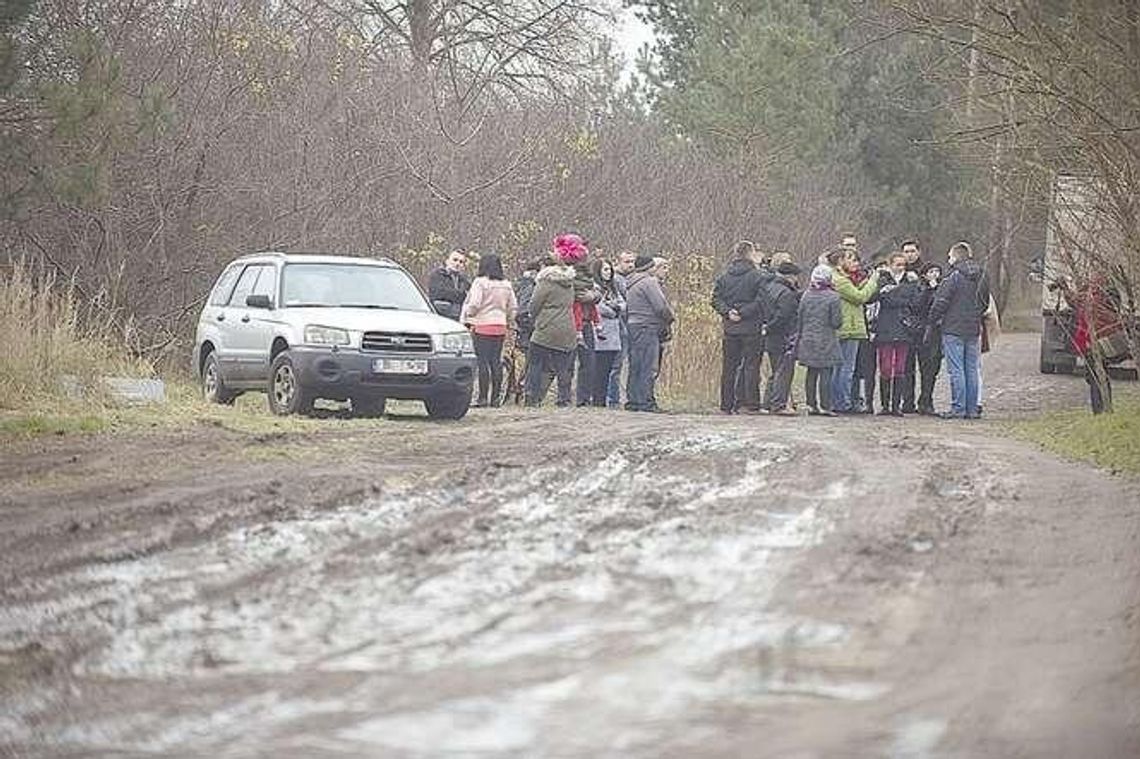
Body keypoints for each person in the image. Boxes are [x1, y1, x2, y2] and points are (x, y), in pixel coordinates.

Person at [929, 241, 990, 420]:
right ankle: (972, 409)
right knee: (971, 368)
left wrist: (932, 320)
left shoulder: (953, 276)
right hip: (973, 327)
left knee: (956, 369)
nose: (948, 259)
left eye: (949, 256)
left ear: (955, 256)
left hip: (953, 327)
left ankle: (958, 407)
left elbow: (941, 302)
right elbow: (985, 301)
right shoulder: (983, 275)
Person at [711, 240, 768, 414]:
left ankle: (726, 404)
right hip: (751, 327)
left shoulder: (724, 276)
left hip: (730, 328)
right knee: (751, 366)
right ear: (750, 253)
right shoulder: (759, 276)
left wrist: (728, 312)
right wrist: (743, 312)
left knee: (729, 367)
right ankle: (750, 403)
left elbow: (715, 299)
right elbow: (761, 300)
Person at [1057, 275, 1125, 414]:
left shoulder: (1094, 299)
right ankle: (1105, 408)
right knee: (1099, 374)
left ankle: (1100, 410)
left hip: (1099, 341)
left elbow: (1074, 301)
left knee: (1096, 376)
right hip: (1103, 340)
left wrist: (1064, 288)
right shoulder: (1108, 297)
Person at [524, 238, 580, 407]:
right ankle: (564, 399)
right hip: (567, 328)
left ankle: (532, 397)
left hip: (545, 328)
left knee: (535, 363)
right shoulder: (570, 282)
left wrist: (531, 318)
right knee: (563, 367)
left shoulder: (545, 281)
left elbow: (534, 305)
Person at [460, 254, 518, 407]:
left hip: (482, 326)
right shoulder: (507, 284)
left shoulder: (480, 283)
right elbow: (513, 307)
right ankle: (496, 398)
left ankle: (483, 397)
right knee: (495, 362)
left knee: (483, 362)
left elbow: (475, 303)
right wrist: (507, 319)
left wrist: (468, 314)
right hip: (500, 326)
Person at [829, 240, 880, 413]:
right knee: (845, 369)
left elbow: (856, 290)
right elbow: (859, 297)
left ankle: (839, 401)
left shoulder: (841, 279)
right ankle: (842, 402)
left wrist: (865, 281)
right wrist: (873, 281)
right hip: (849, 328)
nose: (854, 262)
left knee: (841, 368)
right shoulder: (839, 280)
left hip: (847, 327)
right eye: (849, 259)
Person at [872, 252, 921, 416]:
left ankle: (896, 405)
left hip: (903, 329)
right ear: (890, 265)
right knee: (885, 367)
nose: (901, 268)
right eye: (897, 264)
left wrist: (895, 296)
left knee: (900, 368)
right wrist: (898, 297)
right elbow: (883, 299)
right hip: (885, 328)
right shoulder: (882, 280)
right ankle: (885, 405)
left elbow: (914, 302)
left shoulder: (911, 281)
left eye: (903, 265)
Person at [625, 255, 674, 412]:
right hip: (648, 326)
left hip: (633, 325)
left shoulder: (631, 282)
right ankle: (647, 401)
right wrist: (671, 318)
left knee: (636, 365)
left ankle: (633, 400)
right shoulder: (649, 282)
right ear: (650, 267)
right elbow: (660, 307)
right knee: (649, 365)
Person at [797, 263, 843, 416]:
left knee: (811, 372)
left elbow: (800, 317)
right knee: (826, 372)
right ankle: (826, 405)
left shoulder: (806, 295)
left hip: (808, 338)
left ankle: (811, 404)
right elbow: (836, 322)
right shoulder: (834, 297)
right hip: (826, 339)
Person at [762, 260, 802, 414]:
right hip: (784, 336)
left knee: (775, 370)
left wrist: (767, 327)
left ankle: (768, 403)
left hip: (771, 337)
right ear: (790, 277)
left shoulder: (769, 288)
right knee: (784, 371)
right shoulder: (786, 293)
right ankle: (779, 404)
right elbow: (784, 316)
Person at [591, 259, 626, 407]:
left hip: (614, 332)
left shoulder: (613, 288)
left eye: (610, 269)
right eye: (605, 270)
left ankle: (603, 399)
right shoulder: (594, 287)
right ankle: (597, 399)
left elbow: (623, 304)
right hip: (600, 330)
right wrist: (613, 309)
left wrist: (616, 307)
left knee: (608, 367)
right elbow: (598, 307)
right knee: (598, 368)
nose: (608, 272)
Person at [606, 250, 637, 408]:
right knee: (615, 366)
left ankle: (622, 398)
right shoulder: (615, 279)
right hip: (618, 327)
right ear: (618, 261)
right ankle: (612, 400)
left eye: (632, 261)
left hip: (631, 327)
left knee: (627, 365)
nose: (630, 264)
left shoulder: (634, 278)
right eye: (627, 261)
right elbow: (619, 303)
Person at [915, 262, 944, 415]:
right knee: (924, 367)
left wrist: (936, 289)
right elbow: (918, 306)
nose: (934, 274)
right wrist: (929, 289)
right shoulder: (920, 288)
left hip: (937, 332)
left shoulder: (943, 288)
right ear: (925, 274)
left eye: (936, 271)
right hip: (922, 332)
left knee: (934, 368)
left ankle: (927, 398)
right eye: (931, 271)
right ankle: (923, 400)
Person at [899, 239, 925, 412]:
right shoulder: (899, 272)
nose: (909, 255)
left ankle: (925, 401)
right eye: (906, 251)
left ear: (918, 252)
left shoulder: (926, 271)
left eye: (912, 251)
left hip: (923, 324)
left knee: (926, 366)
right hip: (904, 324)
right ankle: (907, 402)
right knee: (906, 367)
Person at [428, 249, 471, 321]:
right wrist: (459, 295)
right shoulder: (437, 275)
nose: (457, 264)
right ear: (447, 261)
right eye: (455, 260)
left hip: (458, 318)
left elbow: (468, 298)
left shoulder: (464, 280)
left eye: (461, 262)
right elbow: (437, 294)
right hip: (439, 317)